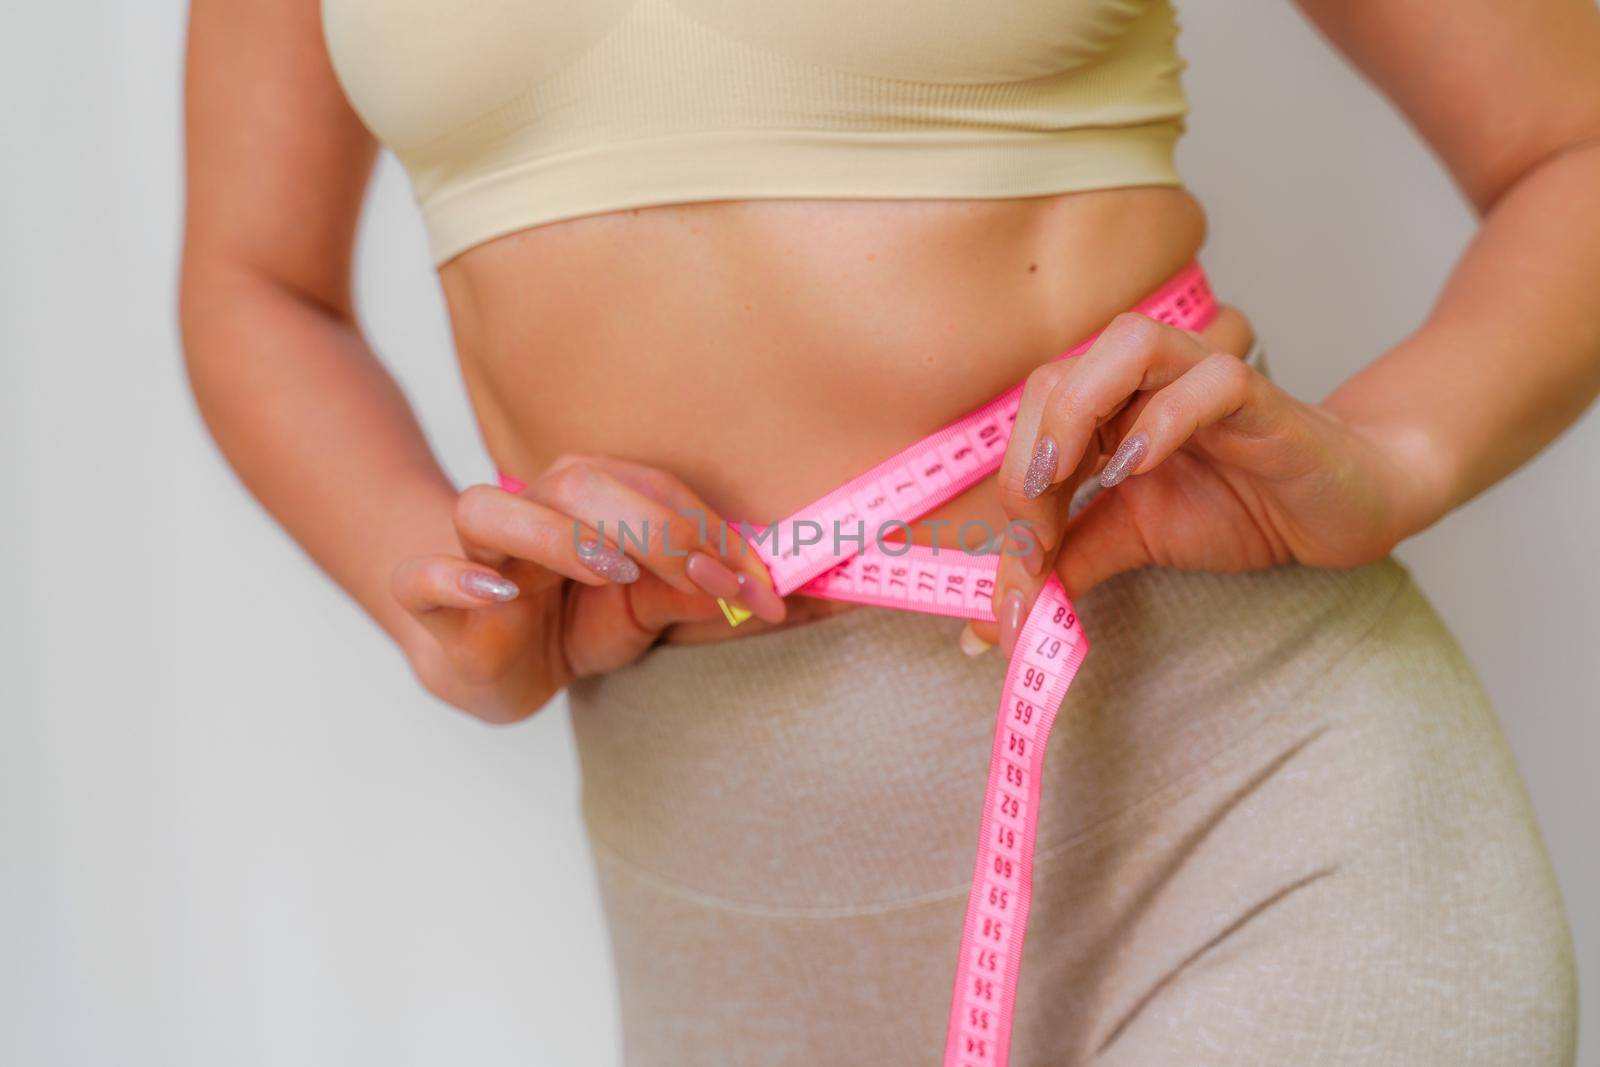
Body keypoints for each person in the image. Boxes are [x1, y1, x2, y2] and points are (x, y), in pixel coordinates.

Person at [180, 1, 1595, 1062]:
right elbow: (256, 282)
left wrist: (1396, 458)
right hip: (721, 926)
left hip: (1248, 820)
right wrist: (428, 578)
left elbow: (1571, 147)